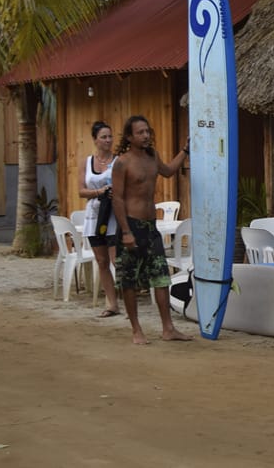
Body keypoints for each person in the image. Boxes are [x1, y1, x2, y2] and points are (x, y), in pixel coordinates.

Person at [110, 115, 192, 345]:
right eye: (140, 132)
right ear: (129, 137)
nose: (145, 135)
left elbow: (168, 171)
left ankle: (168, 328)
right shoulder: (122, 162)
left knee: (161, 277)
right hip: (131, 225)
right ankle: (136, 329)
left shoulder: (152, 156)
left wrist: (185, 150)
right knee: (129, 280)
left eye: (147, 131)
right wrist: (125, 231)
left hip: (150, 226)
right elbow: (117, 198)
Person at [80, 121, 119, 318]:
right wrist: (99, 191)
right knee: (102, 261)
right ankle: (112, 303)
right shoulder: (87, 162)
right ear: (95, 140)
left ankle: (128, 301)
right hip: (94, 216)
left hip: (113, 216)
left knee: (116, 260)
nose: (108, 140)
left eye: (110, 136)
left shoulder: (118, 161)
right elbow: (81, 190)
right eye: (104, 137)